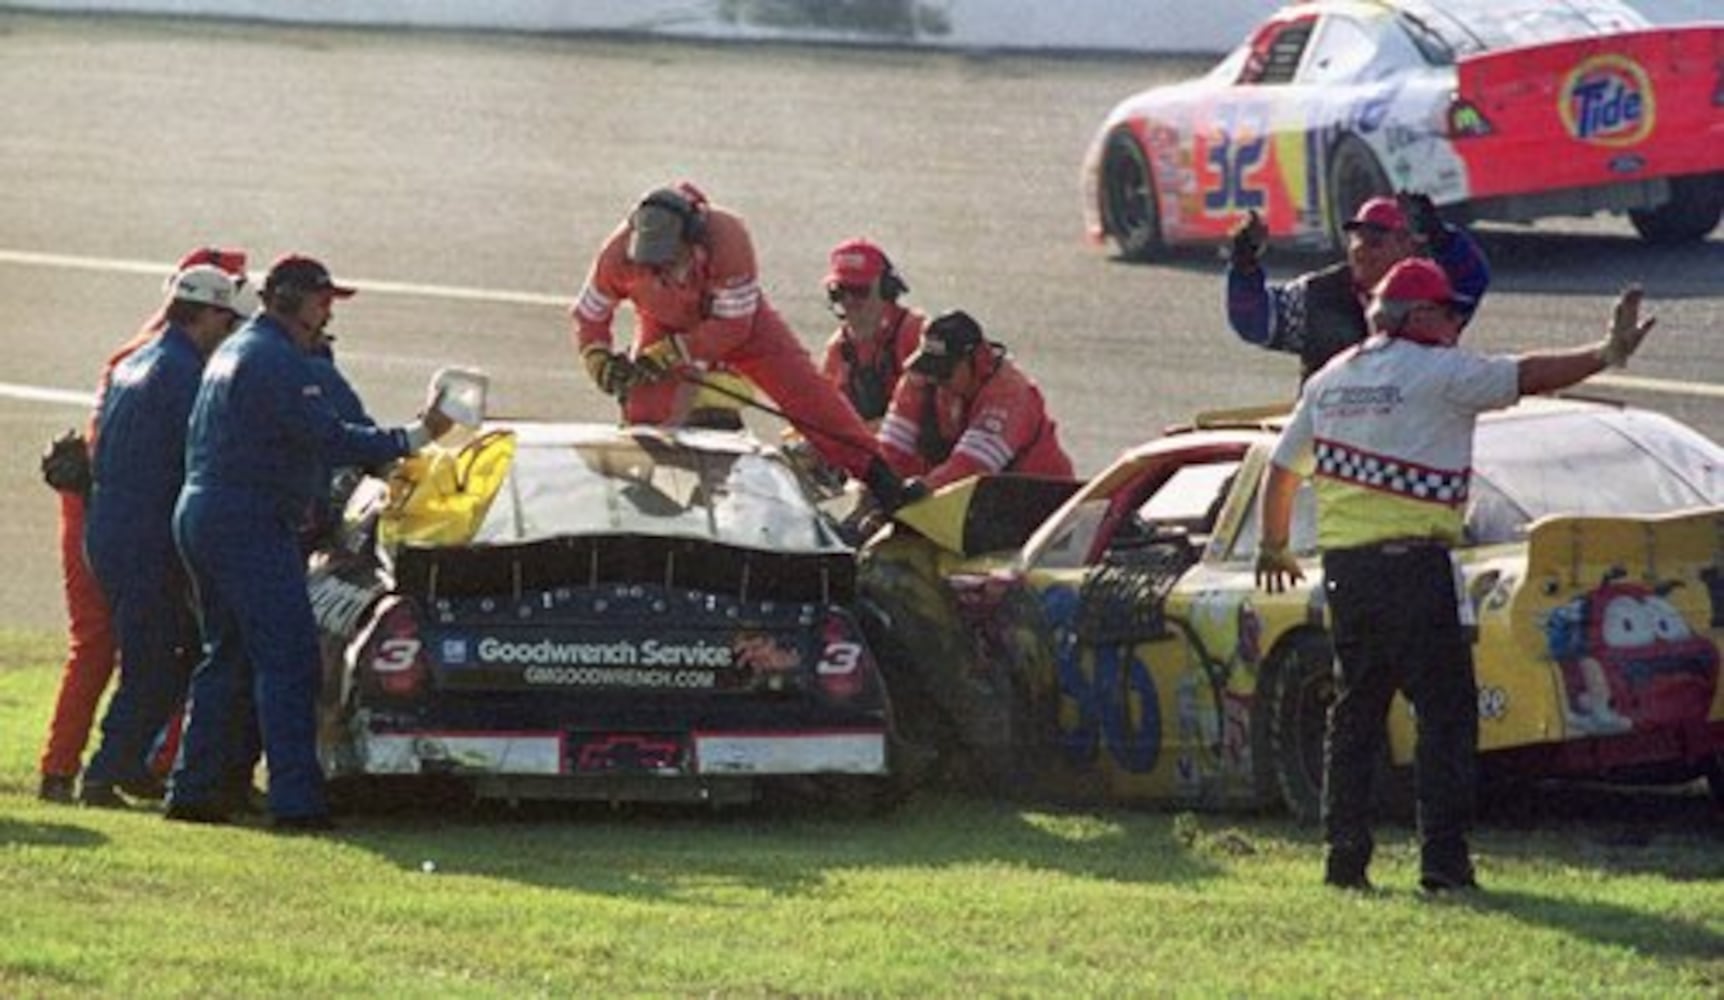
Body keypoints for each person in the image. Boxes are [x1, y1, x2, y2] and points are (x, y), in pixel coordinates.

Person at [1254, 258, 1657, 892]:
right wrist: (1605, 352)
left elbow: (1282, 470)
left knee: (1355, 715)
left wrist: (1274, 545)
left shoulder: (1330, 380)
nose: (1456, 324)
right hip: (1417, 569)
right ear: (1418, 316)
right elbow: (1528, 375)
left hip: (1348, 575)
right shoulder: (1441, 374)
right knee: (1444, 717)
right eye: (1448, 312)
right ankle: (1442, 863)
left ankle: (1344, 863)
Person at [165, 254, 453, 830]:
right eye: (322, 302)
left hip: (204, 511)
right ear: (291, 299)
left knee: (226, 655)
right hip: (247, 519)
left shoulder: (236, 351)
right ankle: (295, 802)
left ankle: (193, 789)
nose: (326, 316)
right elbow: (331, 437)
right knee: (289, 658)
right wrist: (417, 435)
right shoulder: (276, 360)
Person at [35, 245, 250, 804]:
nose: (229, 330)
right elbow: (203, 457)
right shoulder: (183, 374)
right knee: (158, 656)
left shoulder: (136, 360)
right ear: (204, 314)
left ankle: (112, 763)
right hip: (143, 535)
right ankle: (105, 769)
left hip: (110, 528)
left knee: (155, 652)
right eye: (226, 318)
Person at [570, 182, 907, 507]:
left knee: (809, 398)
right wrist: (596, 356)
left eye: (671, 263)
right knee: (645, 411)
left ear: (694, 243)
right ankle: (651, 498)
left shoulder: (729, 239)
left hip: (743, 327)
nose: (663, 273)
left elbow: (732, 327)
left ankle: (882, 480)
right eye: (652, 266)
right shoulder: (618, 256)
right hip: (664, 323)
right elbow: (588, 315)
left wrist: (673, 352)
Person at [1226, 193, 1491, 381]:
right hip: (1330, 437)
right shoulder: (1317, 294)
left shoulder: (1431, 294)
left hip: (1409, 433)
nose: (1362, 250)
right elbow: (1255, 322)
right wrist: (1244, 264)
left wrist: (1441, 237)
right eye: (1357, 239)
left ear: (1406, 246)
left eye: (1375, 241)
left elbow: (1472, 278)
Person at [876, 310, 1074, 491]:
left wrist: (923, 488)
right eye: (929, 369)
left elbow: (970, 467)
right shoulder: (920, 380)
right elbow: (889, 452)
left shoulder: (1010, 393)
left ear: (977, 362)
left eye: (944, 372)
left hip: (1041, 503)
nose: (935, 381)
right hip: (975, 503)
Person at [818, 238, 925, 426]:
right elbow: (824, 413)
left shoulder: (915, 333)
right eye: (839, 291)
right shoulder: (838, 348)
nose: (848, 301)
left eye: (859, 291)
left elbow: (930, 415)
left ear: (886, 290)